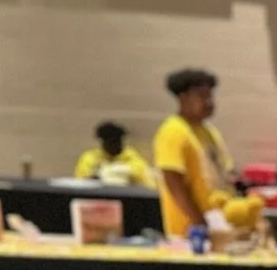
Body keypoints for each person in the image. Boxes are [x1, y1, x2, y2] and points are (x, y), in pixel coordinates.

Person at [152, 68, 234, 240]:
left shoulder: (209, 132)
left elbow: (225, 177)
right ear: (183, 98)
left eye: (210, 96)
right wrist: (200, 223)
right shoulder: (173, 131)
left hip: (218, 226)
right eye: (202, 96)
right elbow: (173, 183)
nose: (209, 102)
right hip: (190, 233)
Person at [73, 121, 154, 187]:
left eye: (115, 142)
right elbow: (81, 180)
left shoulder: (131, 157)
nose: (112, 146)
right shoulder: (90, 157)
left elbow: (144, 178)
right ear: (103, 143)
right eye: (109, 143)